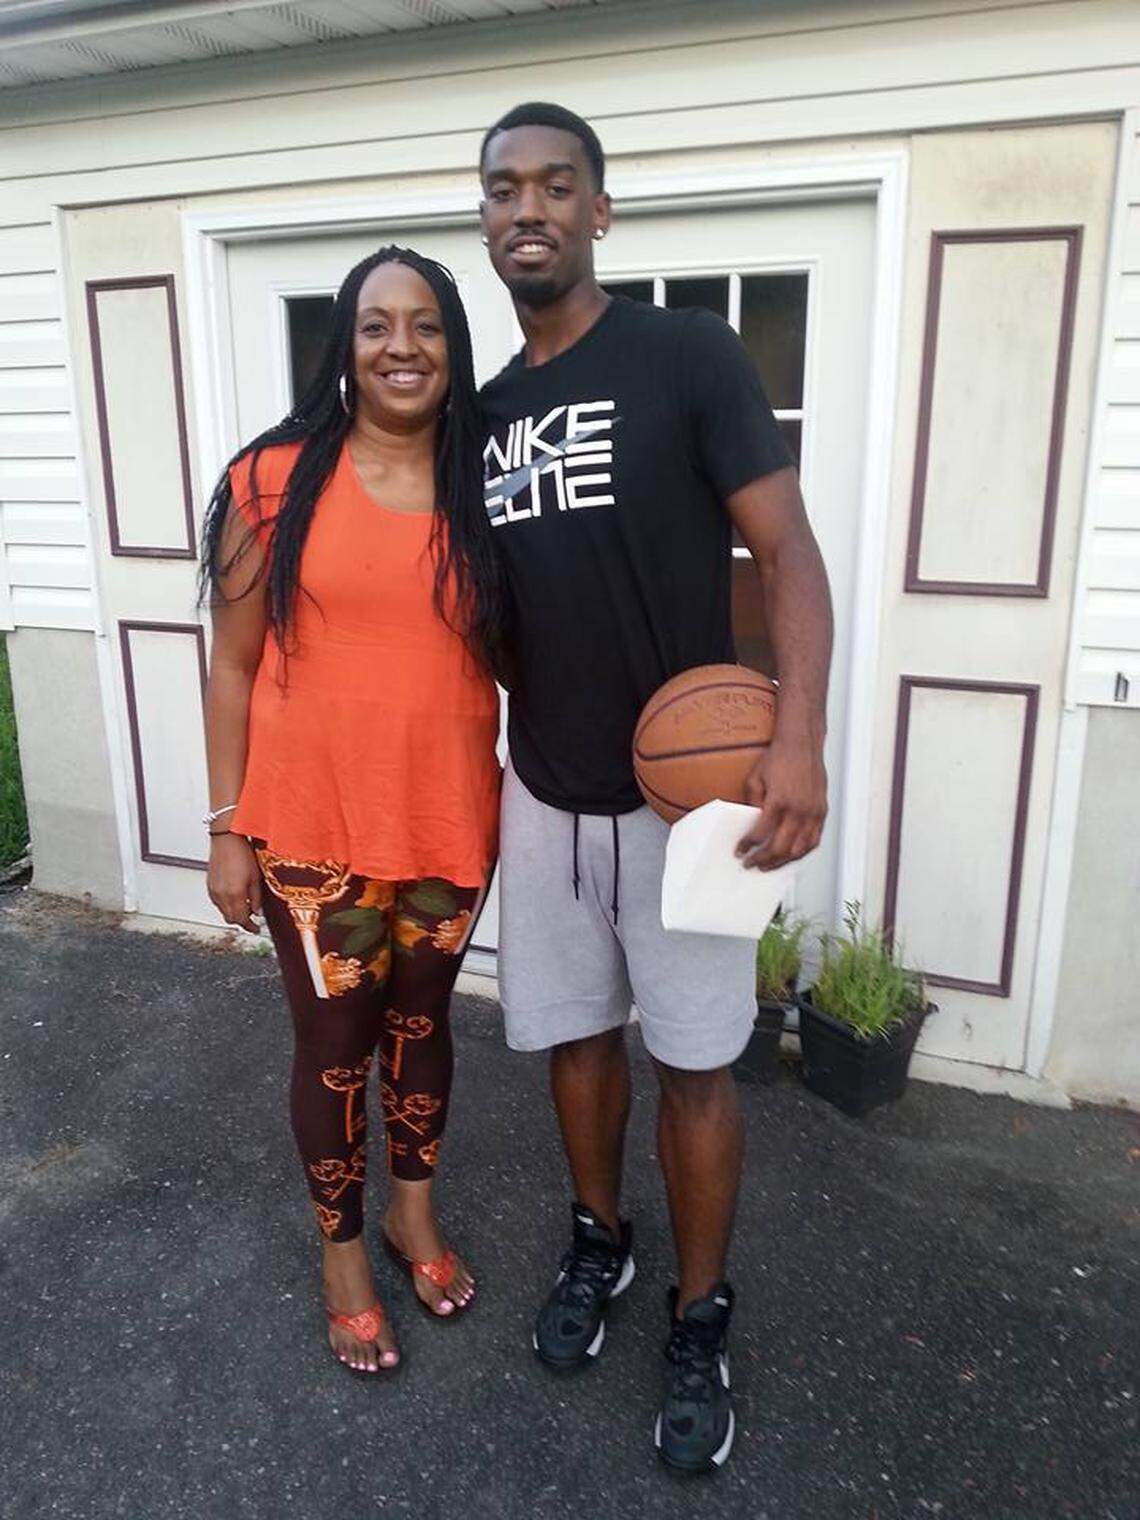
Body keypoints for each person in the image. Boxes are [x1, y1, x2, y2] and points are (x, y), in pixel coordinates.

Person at [478, 103, 833, 1473]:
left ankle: (699, 1313)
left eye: (556, 185)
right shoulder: (483, 415)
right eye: (505, 188)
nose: (529, 208)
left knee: (694, 1064)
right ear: (487, 218)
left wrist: (796, 736)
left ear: (600, 211)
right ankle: (600, 1244)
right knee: (576, 1044)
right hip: (544, 790)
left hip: (687, 808)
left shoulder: (685, 354)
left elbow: (788, 552)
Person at [200, 246, 504, 1376]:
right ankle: (341, 1257)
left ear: (453, 345)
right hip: (312, 829)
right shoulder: (272, 479)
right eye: (377, 325)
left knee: (423, 1027)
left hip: (449, 819)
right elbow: (233, 664)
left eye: (426, 325)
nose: (402, 347)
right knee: (336, 1049)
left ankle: (412, 1216)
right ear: (345, 345)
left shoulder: (491, 479)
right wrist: (227, 825)